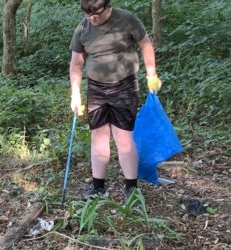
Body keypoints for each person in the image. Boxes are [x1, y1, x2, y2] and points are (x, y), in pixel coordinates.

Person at [69, 0, 162, 201]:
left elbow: (145, 44)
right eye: (87, 14)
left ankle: (131, 187)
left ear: (107, 6)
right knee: (98, 136)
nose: (92, 18)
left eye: (96, 14)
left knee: (123, 138)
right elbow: (76, 63)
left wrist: (151, 74)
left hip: (124, 85)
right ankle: (97, 187)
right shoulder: (83, 28)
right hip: (96, 87)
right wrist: (75, 94)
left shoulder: (126, 19)